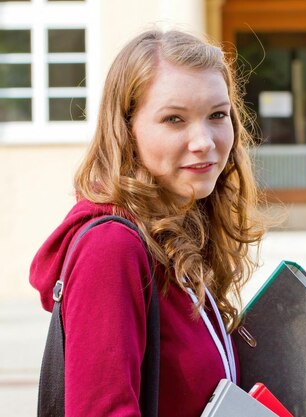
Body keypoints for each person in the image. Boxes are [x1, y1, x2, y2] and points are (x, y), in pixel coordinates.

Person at [29, 29, 267, 417]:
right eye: (174, 119)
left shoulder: (175, 234)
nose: (204, 140)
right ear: (127, 130)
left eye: (217, 115)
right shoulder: (111, 247)